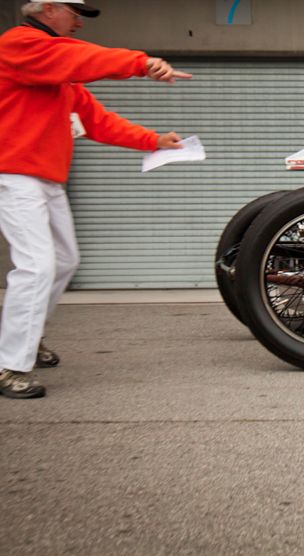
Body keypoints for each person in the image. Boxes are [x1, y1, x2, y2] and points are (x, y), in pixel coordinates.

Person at [0, 0, 192, 398]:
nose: (79, 23)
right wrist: (141, 63)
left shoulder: (59, 72)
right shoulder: (20, 45)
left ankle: (25, 337)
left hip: (45, 179)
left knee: (65, 261)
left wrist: (153, 140)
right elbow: (81, 57)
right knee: (36, 266)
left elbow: (94, 121)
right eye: (75, 13)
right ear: (48, 9)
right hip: (14, 175)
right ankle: (8, 365)